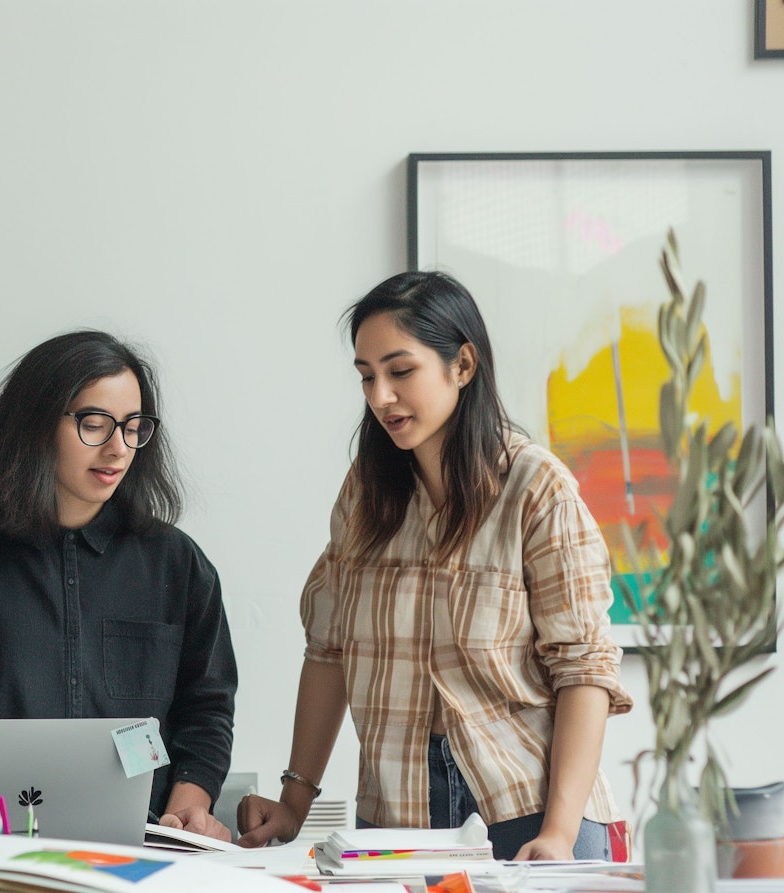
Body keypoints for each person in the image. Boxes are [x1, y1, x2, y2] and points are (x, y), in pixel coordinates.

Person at [236, 271, 632, 860]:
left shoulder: (535, 487)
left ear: (463, 365)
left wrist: (559, 833)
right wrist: (295, 801)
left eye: (400, 371)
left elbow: (584, 671)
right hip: (394, 820)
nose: (380, 396)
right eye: (367, 376)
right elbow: (328, 650)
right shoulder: (366, 493)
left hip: (528, 813)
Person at [0, 330, 238, 858]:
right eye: (94, 424)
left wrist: (190, 806)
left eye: (133, 427)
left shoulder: (178, 565)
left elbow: (207, 706)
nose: (117, 448)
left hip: (144, 851)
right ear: (36, 423)